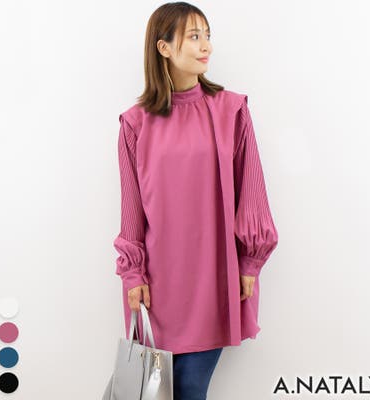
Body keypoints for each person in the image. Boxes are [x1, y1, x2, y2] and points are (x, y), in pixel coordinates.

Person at [113, 2, 279, 399]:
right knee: (155, 391)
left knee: (190, 387)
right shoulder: (135, 123)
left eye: (207, 36)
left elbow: (251, 189)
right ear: (164, 48)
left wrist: (250, 262)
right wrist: (133, 274)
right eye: (194, 36)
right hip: (157, 284)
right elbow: (131, 209)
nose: (206, 46)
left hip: (215, 276)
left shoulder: (230, 110)